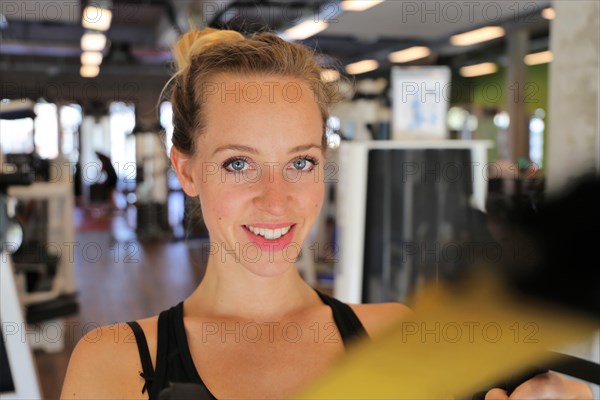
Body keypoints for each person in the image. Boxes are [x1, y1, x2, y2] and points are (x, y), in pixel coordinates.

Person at [61, 28, 592, 399]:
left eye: (300, 161)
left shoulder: (397, 338)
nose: (276, 199)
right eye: (240, 162)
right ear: (188, 170)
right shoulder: (116, 362)